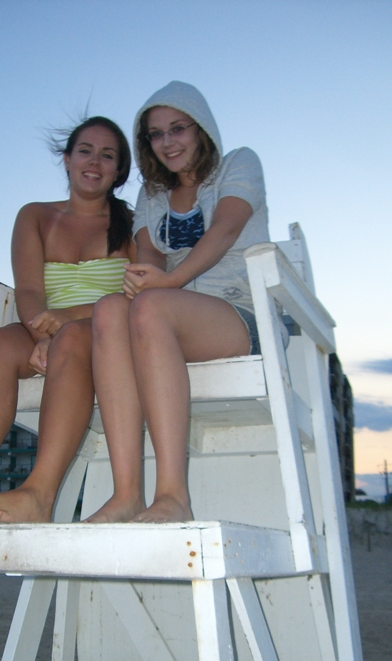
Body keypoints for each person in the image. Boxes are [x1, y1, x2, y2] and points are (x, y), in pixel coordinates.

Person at [88, 81, 270, 524]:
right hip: (170, 320)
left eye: (178, 129)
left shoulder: (238, 164)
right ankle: (127, 493)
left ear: (201, 128)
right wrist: (143, 280)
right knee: (111, 309)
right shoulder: (151, 195)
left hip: (239, 314)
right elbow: (148, 257)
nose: (167, 142)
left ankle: (173, 496)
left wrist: (167, 282)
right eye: (156, 133)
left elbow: (224, 231)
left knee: (150, 307)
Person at [0, 116, 135, 522]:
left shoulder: (132, 224)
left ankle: (39, 495)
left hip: (104, 332)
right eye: (85, 151)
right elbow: (30, 291)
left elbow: (137, 296)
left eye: (107, 155)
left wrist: (64, 326)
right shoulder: (35, 216)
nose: (94, 161)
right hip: (43, 328)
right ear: (68, 159)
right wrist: (43, 332)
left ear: (119, 169)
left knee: (72, 338)